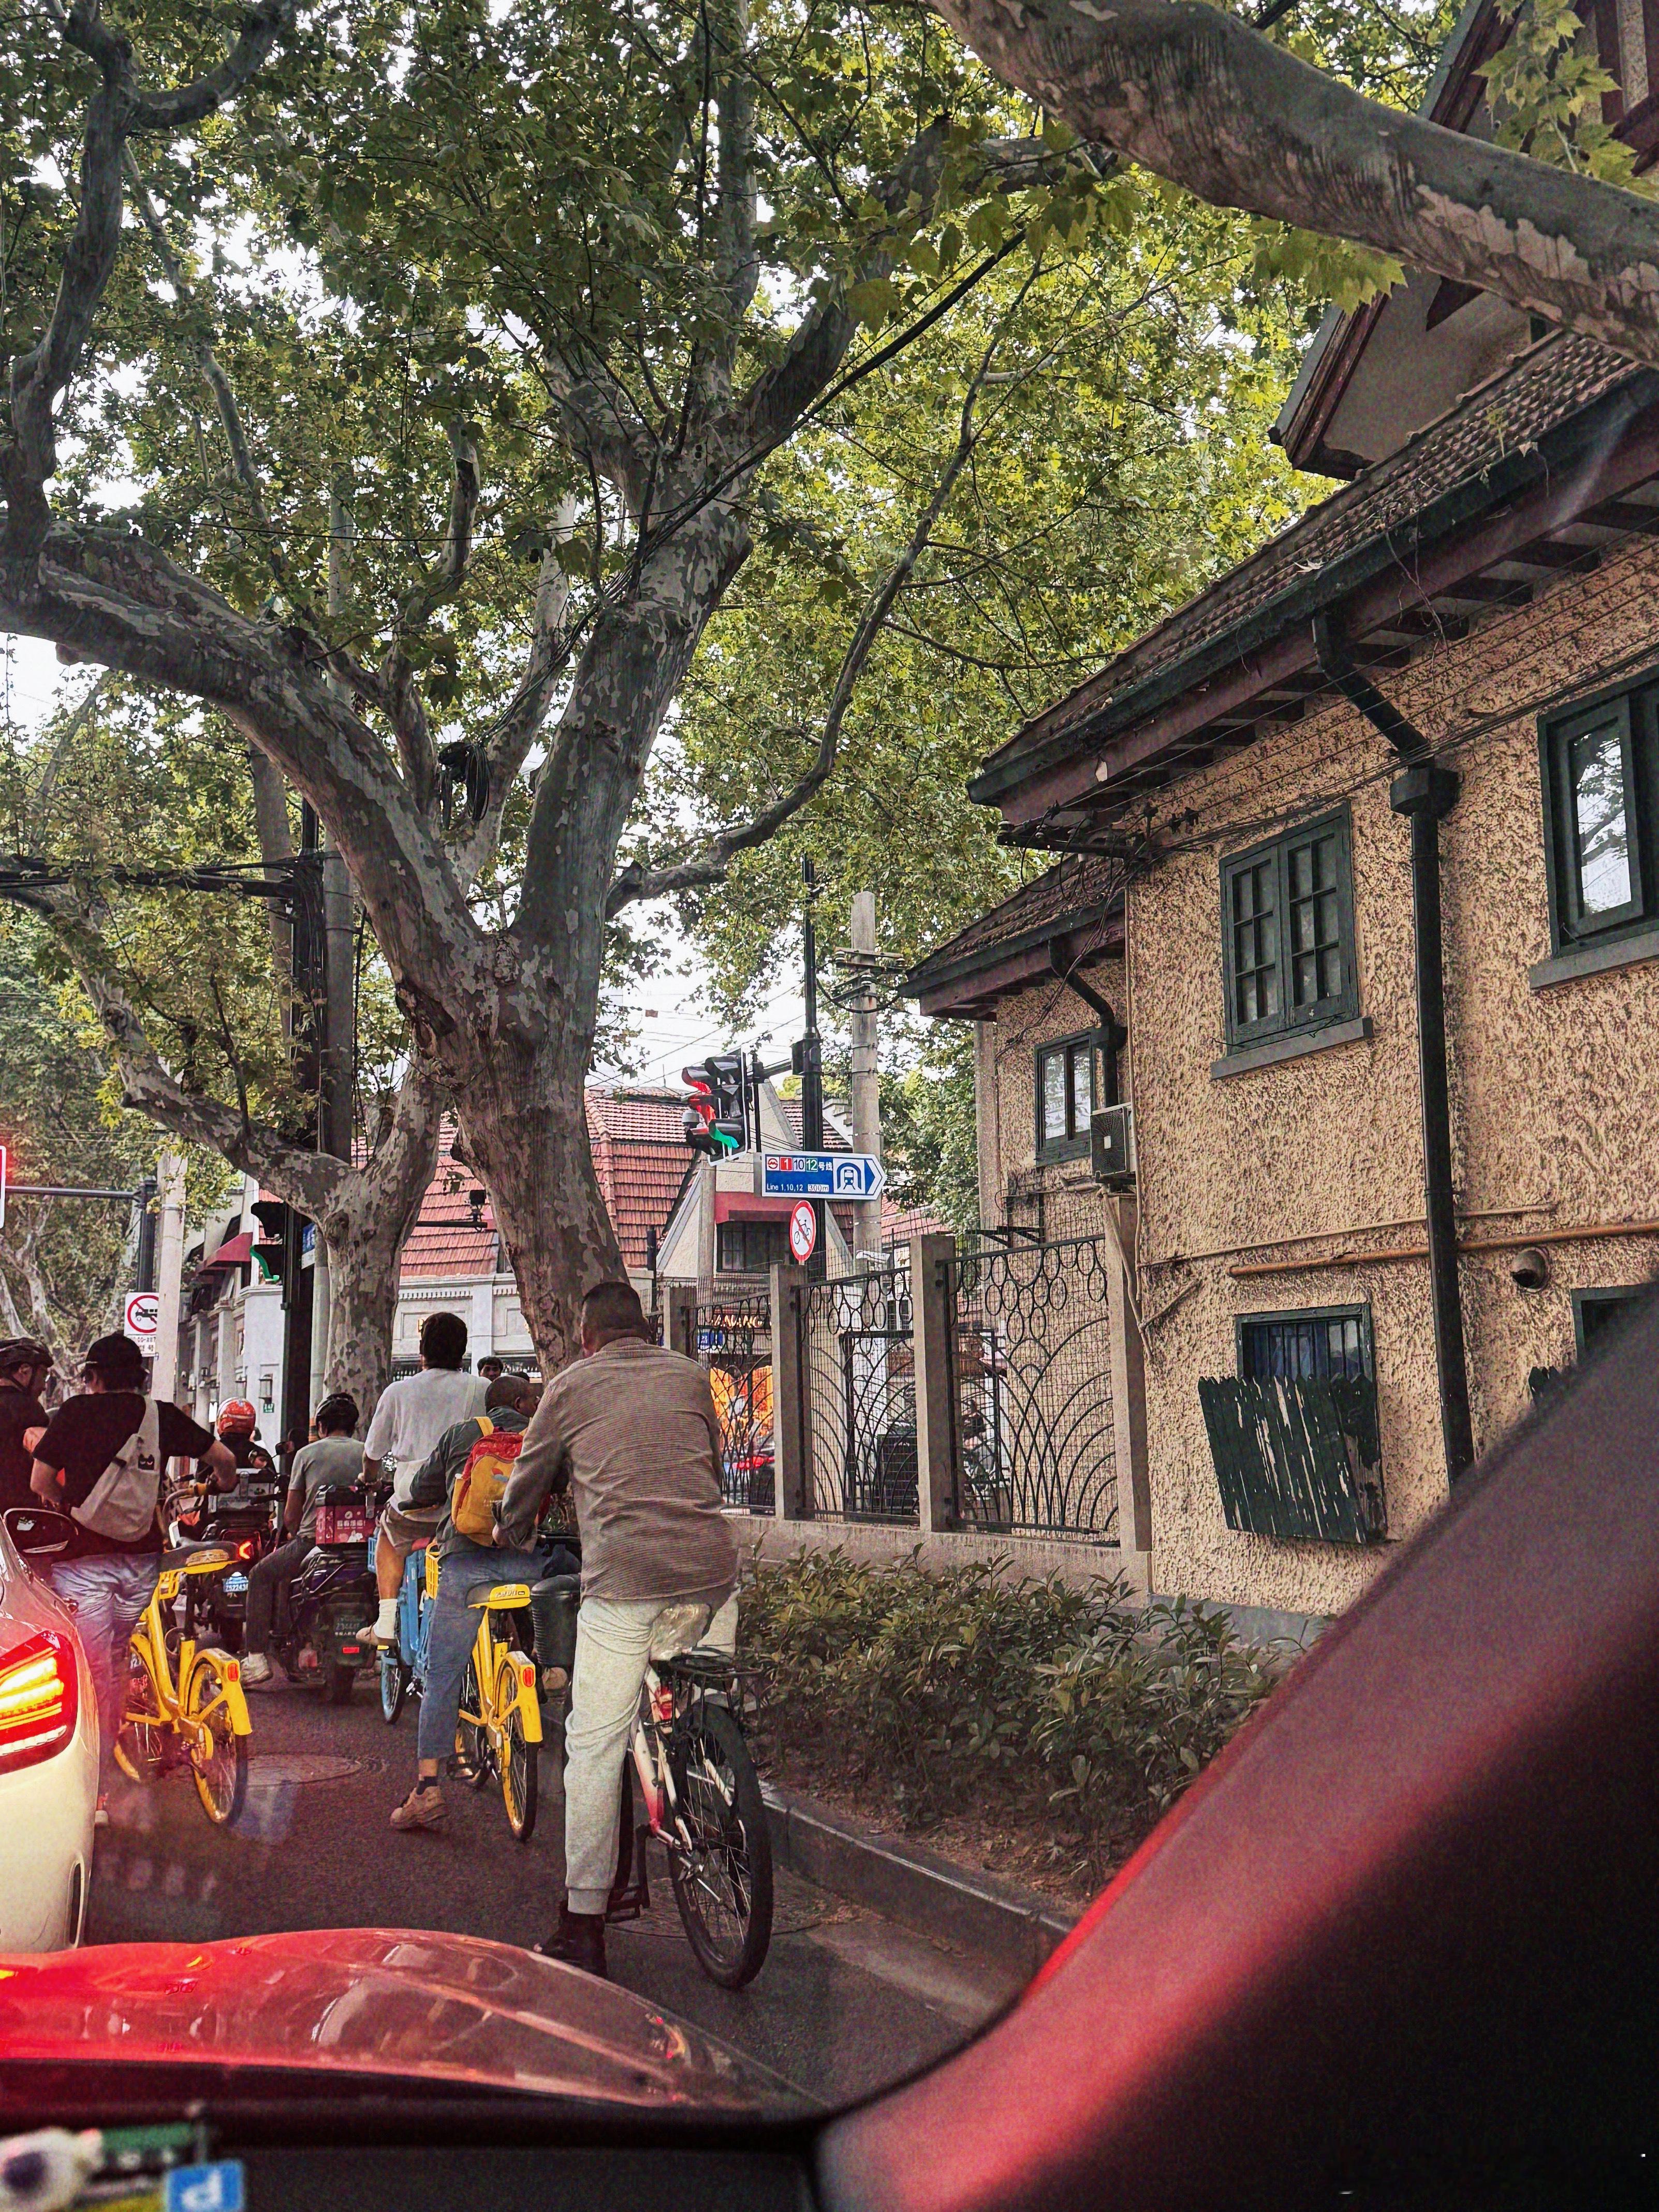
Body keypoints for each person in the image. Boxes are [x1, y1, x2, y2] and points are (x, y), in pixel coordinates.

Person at [498, 1280, 739, 1979]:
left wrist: (514, 1528)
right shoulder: (691, 1376)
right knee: (704, 1699)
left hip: (625, 1582)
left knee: (592, 1748)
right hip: (713, 1574)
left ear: (585, 1337)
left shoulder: (569, 1387)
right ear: (648, 1326)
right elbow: (710, 1465)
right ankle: (716, 1777)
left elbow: (527, 1480)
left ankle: (583, 1922)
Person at [30, 1332, 236, 1809]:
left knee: (94, 1672)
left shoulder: (73, 1413)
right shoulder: (159, 1415)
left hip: (83, 1562)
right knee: (117, 1652)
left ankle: (98, 1789)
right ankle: (127, 1725)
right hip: (142, 1564)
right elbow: (224, 1460)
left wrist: (72, 1508)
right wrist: (219, 1487)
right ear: (139, 1377)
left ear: (94, 1376)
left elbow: (40, 1479)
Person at [386, 1372, 575, 1831]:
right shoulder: (542, 1434)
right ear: (520, 1402)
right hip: (525, 1562)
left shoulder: (461, 1434)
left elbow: (423, 1489)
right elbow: (560, 1484)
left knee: (442, 1675)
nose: (536, 1403)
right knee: (558, 1581)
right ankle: (548, 1665)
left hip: (465, 1567)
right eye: (532, 1397)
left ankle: (427, 1789)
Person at [360, 1312, 488, 1646]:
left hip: (413, 1506)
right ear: (462, 1351)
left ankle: (385, 1622)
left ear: (422, 1351)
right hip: (465, 1504)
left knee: (388, 1538)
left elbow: (373, 1453)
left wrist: (369, 1478)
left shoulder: (398, 1392)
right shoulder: (482, 1389)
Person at [240, 1393, 361, 1689]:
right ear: (354, 1427)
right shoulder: (367, 1453)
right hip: (361, 1548)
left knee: (260, 1575)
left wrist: (294, 1530)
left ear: (322, 1426)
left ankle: (256, 1659)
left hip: (312, 1543)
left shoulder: (307, 1455)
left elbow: (292, 1515)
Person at [0, 1338, 53, 1513]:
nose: (44, 1387)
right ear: (25, 1370)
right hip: (19, 1515)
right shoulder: (27, 1409)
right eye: (43, 1375)